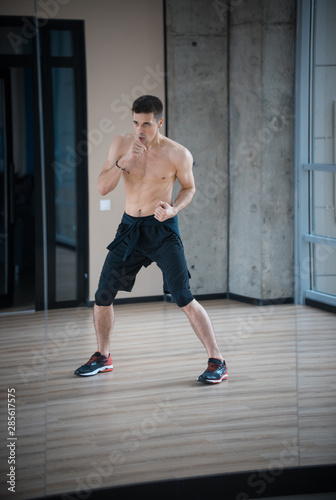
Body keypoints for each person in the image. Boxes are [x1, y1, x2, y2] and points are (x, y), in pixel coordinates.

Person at [74, 95, 227, 384]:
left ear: (159, 121)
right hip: (130, 228)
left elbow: (189, 188)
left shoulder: (178, 154)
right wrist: (124, 162)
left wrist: (174, 209)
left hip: (162, 230)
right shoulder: (121, 145)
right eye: (135, 123)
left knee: (183, 296)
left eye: (146, 123)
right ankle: (103, 356)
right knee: (103, 295)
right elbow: (102, 188)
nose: (139, 130)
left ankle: (217, 360)